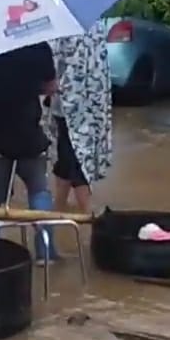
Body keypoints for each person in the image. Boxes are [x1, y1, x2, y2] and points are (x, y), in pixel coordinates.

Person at [0, 42, 58, 260]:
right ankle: (45, 254)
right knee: (39, 192)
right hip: (28, 138)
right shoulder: (37, 45)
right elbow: (51, 86)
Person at [48, 21, 112, 214]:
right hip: (90, 104)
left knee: (75, 160)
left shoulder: (59, 27)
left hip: (70, 105)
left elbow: (50, 63)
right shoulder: (96, 24)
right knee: (68, 157)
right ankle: (59, 208)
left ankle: (87, 216)